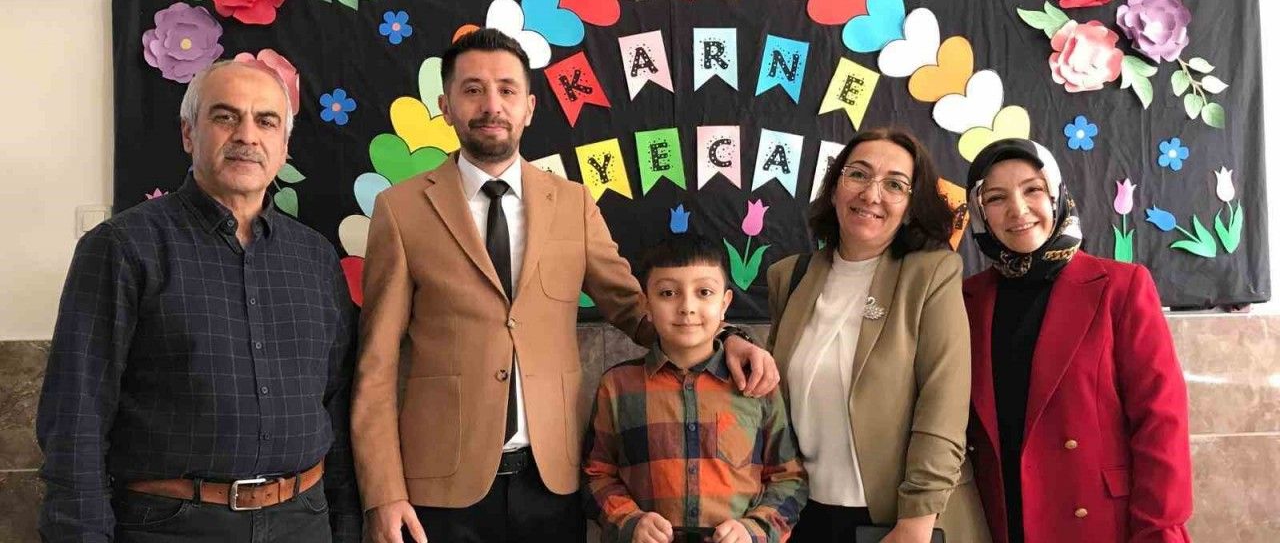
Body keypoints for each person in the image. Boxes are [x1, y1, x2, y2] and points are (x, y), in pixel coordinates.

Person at [351, 28, 779, 543]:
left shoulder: (573, 204)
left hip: (552, 481)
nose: (491, 106)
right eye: (472, 90)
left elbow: (637, 311)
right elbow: (377, 363)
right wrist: (383, 492)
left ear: (529, 107)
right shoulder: (400, 210)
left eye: (507, 90)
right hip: (438, 487)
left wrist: (728, 338)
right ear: (446, 106)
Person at [37, 59, 362, 542]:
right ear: (189, 134)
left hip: (304, 521)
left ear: (284, 146)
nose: (247, 135)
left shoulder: (315, 258)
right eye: (225, 116)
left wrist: (348, 524)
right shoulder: (122, 248)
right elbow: (75, 415)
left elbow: (336, 403)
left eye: (266, 121)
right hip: (170, 525)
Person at [961, 139, 1193, 543]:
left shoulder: (1120, 286)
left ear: (1056, 195)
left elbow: (1160, 421)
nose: (1018, 209)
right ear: (980, 212)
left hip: (1101, 521)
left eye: (1033, 189)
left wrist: (1158, 529)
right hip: (1001, 521)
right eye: (996, 198)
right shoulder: (967, 300)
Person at [766, 127, 990, 543]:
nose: (871, 194)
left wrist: (916, 520)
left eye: (895, 185)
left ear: (910, 208)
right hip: (802, 514)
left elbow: (943, 405)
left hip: (902, 520)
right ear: (835, 188)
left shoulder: (932, 273)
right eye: (858, 174)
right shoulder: (790, 276)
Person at [582, 234, 808, 543]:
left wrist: (754, 530)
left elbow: (789, 477)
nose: (687, 307)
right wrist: (629, 521)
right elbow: (596, 474)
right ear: (647, 303)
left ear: (725, 303)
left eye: (704, 292)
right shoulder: (618, 386)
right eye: (668, 293)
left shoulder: (755, 383)